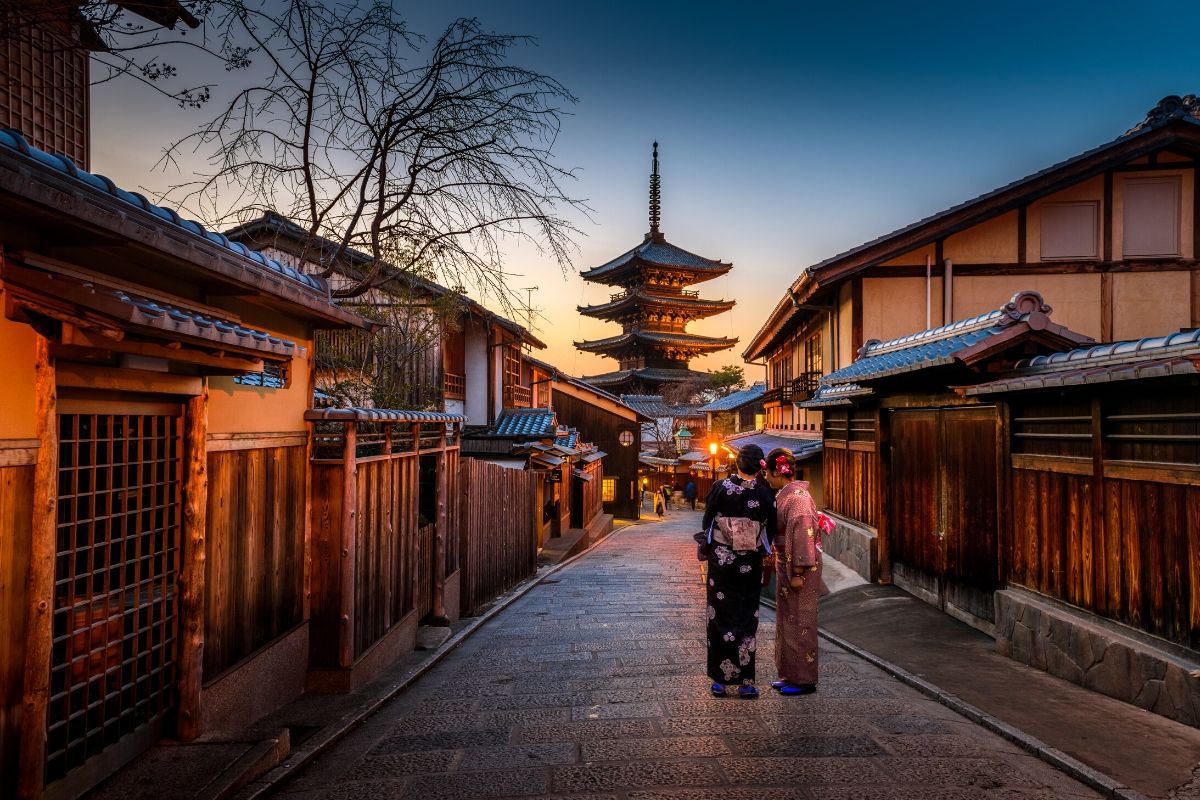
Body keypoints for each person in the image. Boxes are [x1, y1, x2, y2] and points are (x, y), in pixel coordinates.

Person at [697, 443, 776, 698]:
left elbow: (707, 521)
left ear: (737, 463)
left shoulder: (720, 488)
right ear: (759, 466)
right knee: (746, 618)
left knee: (719, 617)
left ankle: (720, 680)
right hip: (749, 565)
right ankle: (746, 682)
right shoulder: (766, 495)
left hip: (722, 564)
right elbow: (769, 531)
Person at [764, 447, 820, 695]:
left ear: (778, 470)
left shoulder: (797, 498)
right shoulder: (786, 495)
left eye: (768, 472)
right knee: (787, 618)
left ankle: (804, 679)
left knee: (801, 620)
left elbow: (802, 536)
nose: (765, 477)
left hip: (800, 568)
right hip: (786, 563)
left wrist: (797, 571)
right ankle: (789, 674)